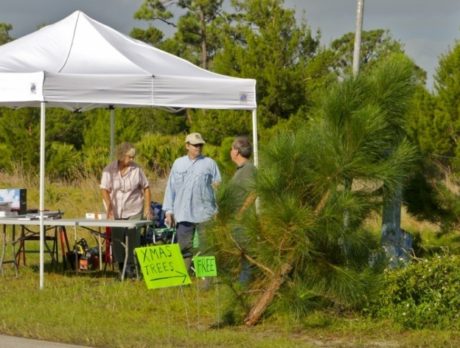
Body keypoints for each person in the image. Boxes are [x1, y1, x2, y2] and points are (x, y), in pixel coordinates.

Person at [162, 132, 221, 271]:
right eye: (195, 145)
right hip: (183, 213)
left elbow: (218, 187)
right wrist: (168, 211)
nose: (198, 147)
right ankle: (184, 277)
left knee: (207, 247)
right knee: (184, 248)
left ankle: (206, 280)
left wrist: (218, 209)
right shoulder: (178, 163)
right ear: (187, 145)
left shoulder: (210, 163)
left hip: (205, 214)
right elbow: (170, 188)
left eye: (200, 145)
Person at [100, 142, 153, 279]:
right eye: (130, 157)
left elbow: (146, 188)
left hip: (134, 209)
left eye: (133, 157)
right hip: (116, 211)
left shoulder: (137, 169)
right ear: (122, 156)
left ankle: (131, 266)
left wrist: (147, 207)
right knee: (117, 239)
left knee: (133, 238)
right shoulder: (109, 169)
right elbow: (104, 189)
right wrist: (109, 206)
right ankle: (121, 266)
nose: (132, 159)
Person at [228, 136, 257, 285]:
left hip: (244, 220)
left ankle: (245, 285)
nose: (230, 151)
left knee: (247, 253)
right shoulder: (241, 170)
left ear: (237, 152)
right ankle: (243, 282)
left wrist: (242, 212)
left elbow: (254, 192)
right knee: (241, 252)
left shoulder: (249, 169)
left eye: (232, 148)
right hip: (237, 219)